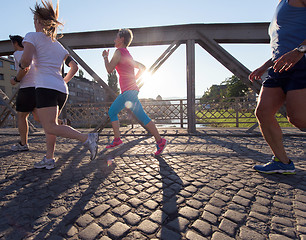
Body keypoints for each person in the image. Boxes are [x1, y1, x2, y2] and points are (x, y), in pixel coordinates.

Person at [17, 0, 99, 169]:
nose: (33, 23)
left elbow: (25, 60)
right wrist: (64, 80)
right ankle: (49, 158)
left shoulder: (32, 36)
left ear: (39, 21)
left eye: (34, 20)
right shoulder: (58, 45)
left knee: (50, 125)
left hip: (45, 87)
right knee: (52, 125)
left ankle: (87, 138)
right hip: (62, 90)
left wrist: (21, 65)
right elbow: (74, 67)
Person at [249, 0, 306, 174]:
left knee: (298, 118)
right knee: (263, 112)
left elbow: (294, 47)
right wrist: (265, 66)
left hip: (302, 62)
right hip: (279, 67)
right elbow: (281, 44)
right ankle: (282, 162)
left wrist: (300, 50)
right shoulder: (280, 4)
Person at [102, 28, 167, 156]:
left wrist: (105, 57)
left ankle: (159, 140)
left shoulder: (118, 52)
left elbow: (109, 70)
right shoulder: (127, 54)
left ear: (121, 39)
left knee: (114, 112)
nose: (114, 39)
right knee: (136, 116)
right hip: (130, 91)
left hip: (128, 92)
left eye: (116, 37)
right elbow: (143, 67)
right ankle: (159, 140)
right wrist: (134, 79)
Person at [9, 35, 38, 152]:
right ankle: (62, 124)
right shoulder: (33, 54)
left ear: (16, 43)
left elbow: (25, 69)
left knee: (21, 116)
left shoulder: (18, 54)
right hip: (37, 88)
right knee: (39, 117)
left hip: (26, 89)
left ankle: (23, 143)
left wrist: (15, 79)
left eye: (13, 43)